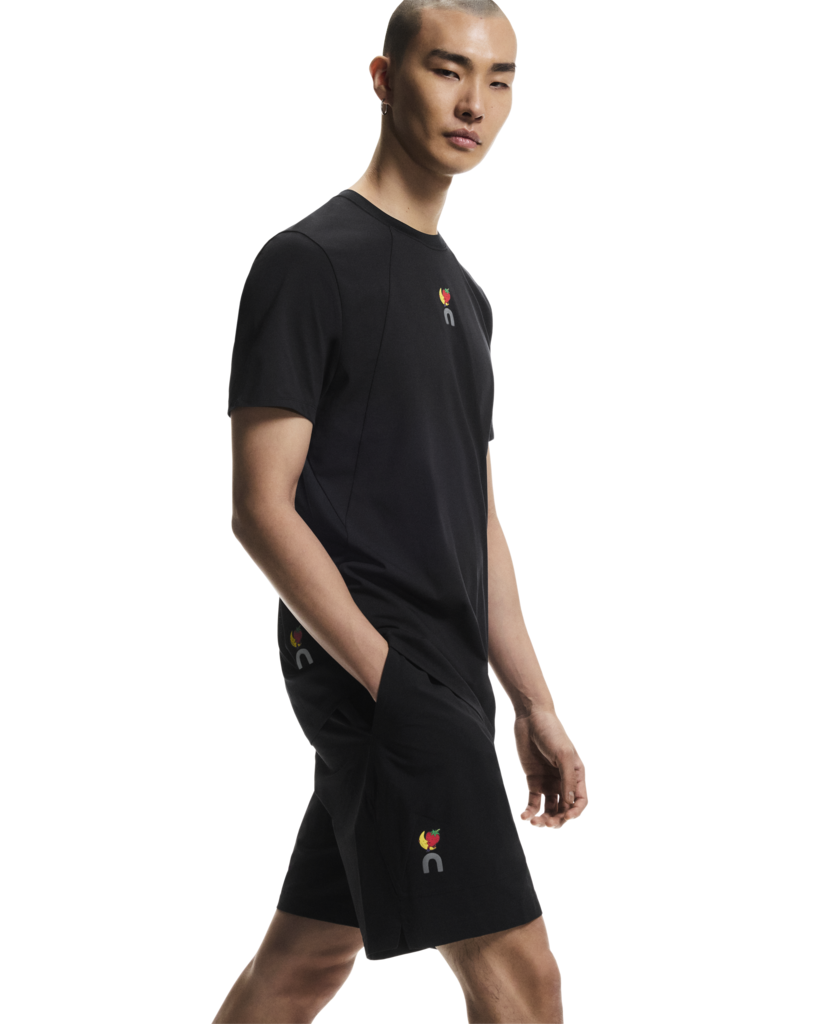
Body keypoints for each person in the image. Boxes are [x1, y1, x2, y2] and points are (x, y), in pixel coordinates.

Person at [217, 1, 588, 1021]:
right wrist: (388, 679)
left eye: (501, 79)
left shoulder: (466, 293)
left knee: (303, 964)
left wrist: (534, 703)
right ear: (383, 79)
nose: (476, 103)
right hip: (381, 668)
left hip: (443, 672)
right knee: (523, 976)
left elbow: (477, 519)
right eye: (447, 70)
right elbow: (259, 506)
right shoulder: (307, 260)